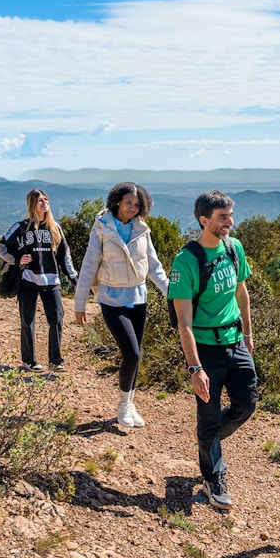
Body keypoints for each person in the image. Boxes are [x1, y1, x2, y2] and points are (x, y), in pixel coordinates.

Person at [168, 190, 258, 510]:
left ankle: (209, 440)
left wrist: (247, 334)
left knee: (246, 404)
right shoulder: (187, 260)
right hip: (205, 349)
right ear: (204, 220)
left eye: (231, 215)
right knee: (207, 415)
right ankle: (213, 477)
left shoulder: (234, 248)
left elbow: (241, 291)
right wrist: (195, 368)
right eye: (223, 217)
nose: (230, 222)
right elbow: (184, 322)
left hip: (235, 342)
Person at [74, 182, 169, 428]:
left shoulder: (142, 230)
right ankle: (123, 406)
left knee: (135, 356)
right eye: (128, 202)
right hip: (111, 299)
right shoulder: (102, 228)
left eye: (137, 205)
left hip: (138, 298)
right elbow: (88, 265)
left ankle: (129, 403)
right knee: (132, 353)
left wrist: (171, 292)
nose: (132, 208)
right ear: (117, 201)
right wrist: (79, 302)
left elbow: (154, 266)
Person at [0, 188, 78, 372]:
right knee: (28, 321)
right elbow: (2, 246)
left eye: (46, 199)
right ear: (32, 205)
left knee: (57, 318)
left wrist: (74, 279)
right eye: (40, 200)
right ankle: (29, 360)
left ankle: (55, 360)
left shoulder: (55, 228)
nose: (44, 202)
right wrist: (18, 259)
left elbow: (65, 256)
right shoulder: (21, 227)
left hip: (52, 281)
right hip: (28, 280)